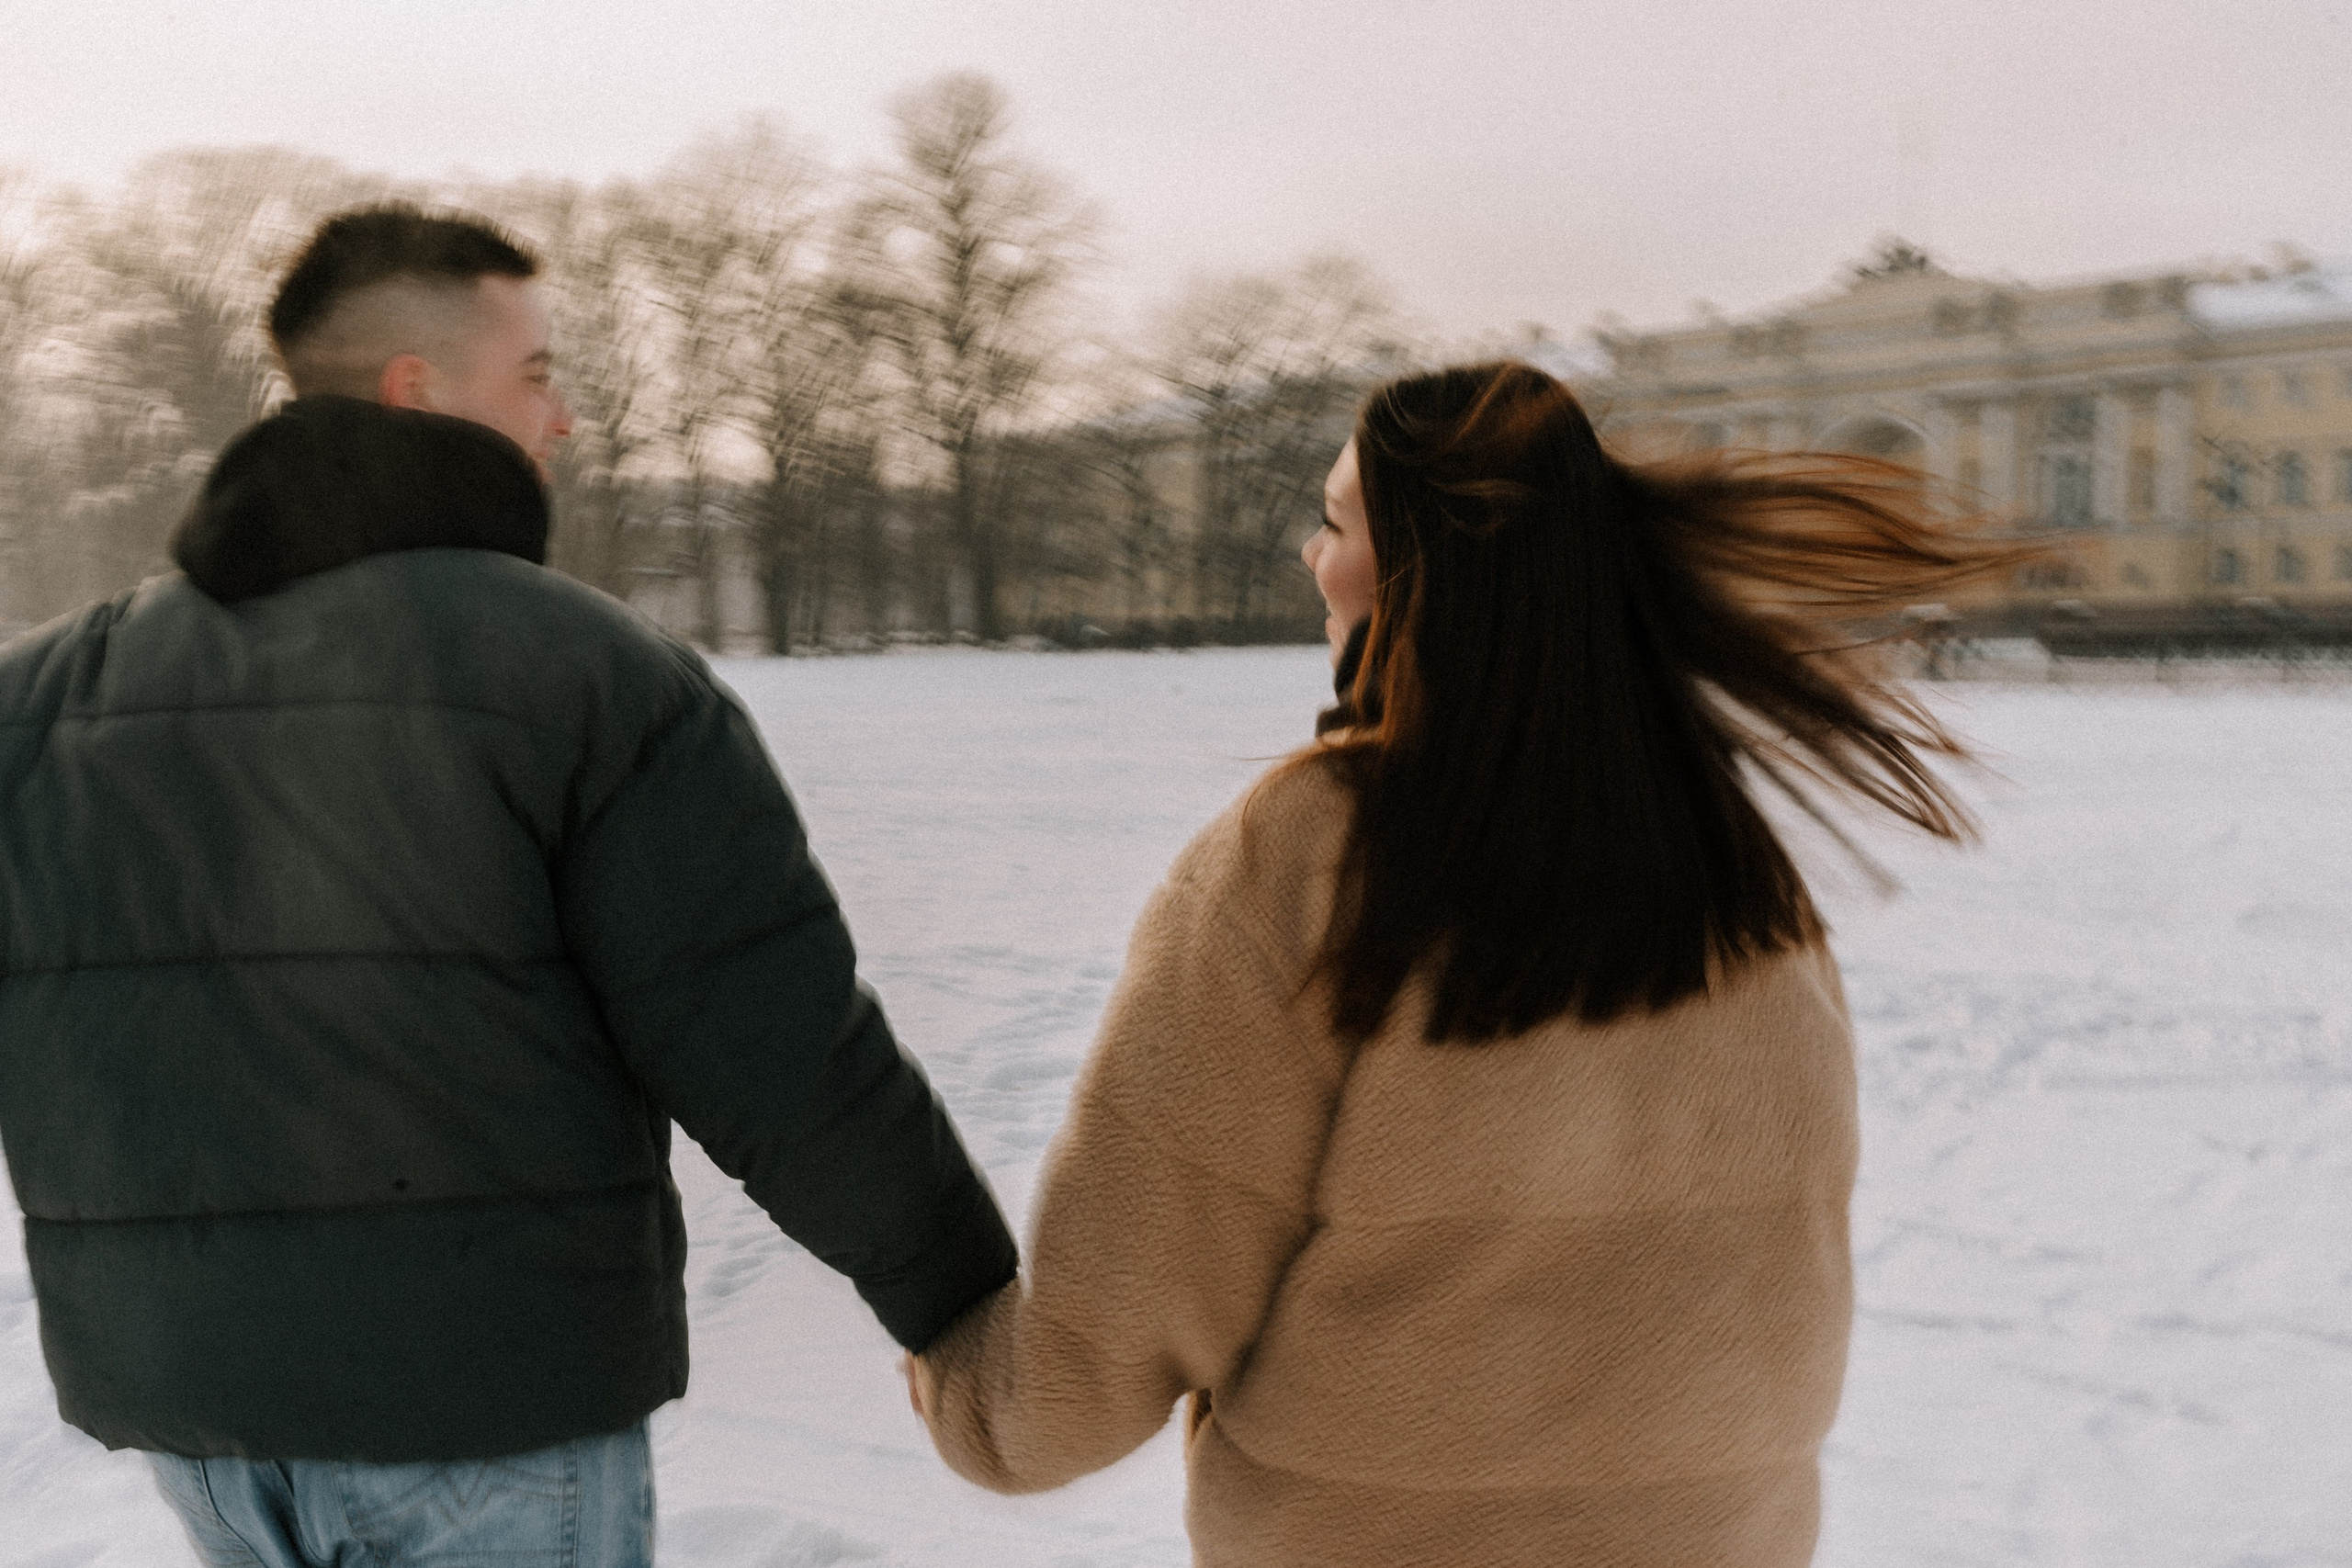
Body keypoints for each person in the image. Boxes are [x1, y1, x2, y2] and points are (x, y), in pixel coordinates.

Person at [0, 204, 1016, 1567]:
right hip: (480, 1404)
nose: (569, 419)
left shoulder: (45, 699)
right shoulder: (584, 676)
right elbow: (774, 1050)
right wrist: (966, 1303)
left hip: (194, 1414)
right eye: (537, 374)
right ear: (420, 390)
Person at [907, 361, 2031, 1565]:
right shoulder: (1738, 866)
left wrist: (977, 1398)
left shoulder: (1309, 855)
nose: (1310, 555)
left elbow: (1120, 1320)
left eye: (1337, 524)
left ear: (1420, 578)